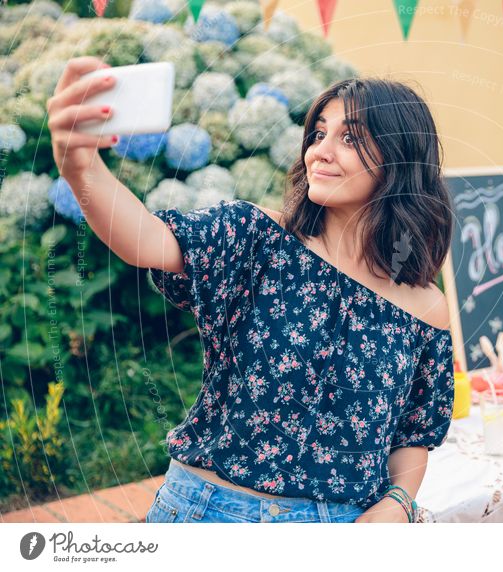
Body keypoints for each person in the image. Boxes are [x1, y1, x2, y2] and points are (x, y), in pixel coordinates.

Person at [47, 57, 455, 523]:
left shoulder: (425, 308)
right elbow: (146, 239)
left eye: (350, 138)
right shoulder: (257, 237)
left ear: (402, 159)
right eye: (318, 134)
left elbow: (414, 433)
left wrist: (397, 504)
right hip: (210, 515)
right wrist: (80, 168)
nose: (321, 150)